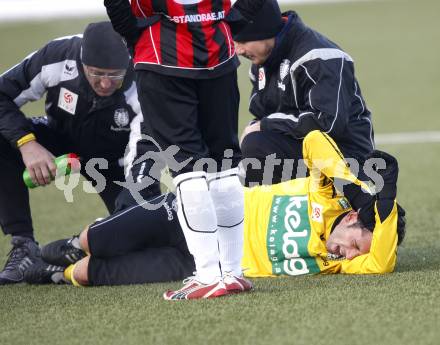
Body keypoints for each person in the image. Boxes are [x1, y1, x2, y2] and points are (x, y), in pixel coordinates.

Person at [24, 131, 406, 291]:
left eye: (360, 255)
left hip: (201, 263)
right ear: (355, 217)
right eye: (358, 244)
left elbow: (381, 264)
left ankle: (57, 273)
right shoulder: (324, 190)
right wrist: (354, 185)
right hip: (193, 210)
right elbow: (313, 141)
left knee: (88, 273)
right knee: (97, 239)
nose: (351, 255)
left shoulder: (340, 263)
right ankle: (77, 241)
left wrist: (386, 195)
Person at [104, 0, 249, 300]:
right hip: (219, 52)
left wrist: (136, 36)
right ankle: (233, 272)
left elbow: (119, 7)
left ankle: (209, 275)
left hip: (162, 56)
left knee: (187, 169)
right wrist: (227, 20)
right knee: (225, 165)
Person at [0, 22, 159, 285]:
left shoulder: (142, 77)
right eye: (97, 73)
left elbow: (141, 150)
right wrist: (26, 144)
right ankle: (23, 247)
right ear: (81, 62)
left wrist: (129, 212)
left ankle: (66, 259)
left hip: (114, 159)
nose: (106, 83)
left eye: (115, 75)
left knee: (142, 238)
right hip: (58, 138)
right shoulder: (57, 56)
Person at [226, 0, 375, 186]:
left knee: (256, 145)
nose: (238, 50)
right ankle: (275, 210)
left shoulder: (320, 57)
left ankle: (355, 201)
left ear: (264, 31)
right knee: (250, 151)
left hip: (347, 157)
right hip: (307, 151)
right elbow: (262, 114)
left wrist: (266, 124)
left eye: (243, 41)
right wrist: (259, 126)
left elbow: (327, 124)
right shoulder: (261, 62)